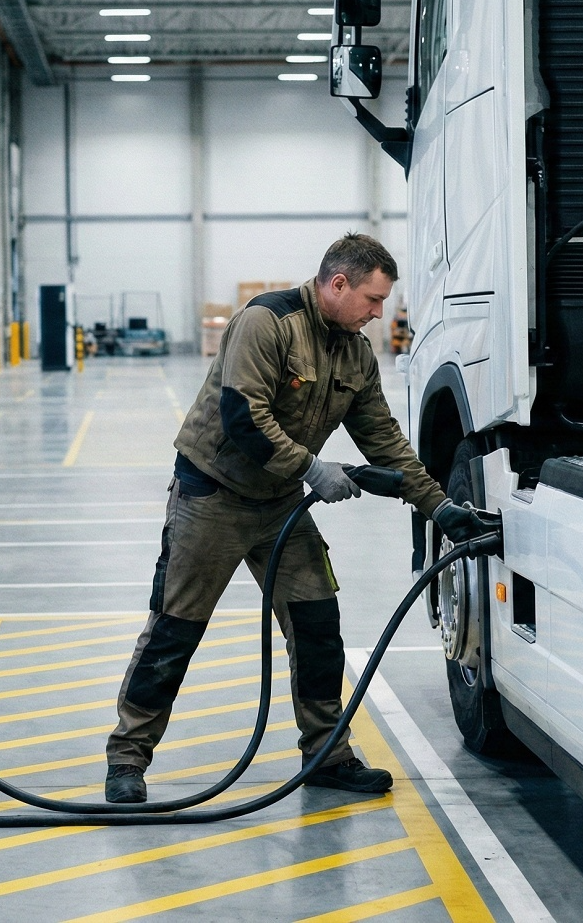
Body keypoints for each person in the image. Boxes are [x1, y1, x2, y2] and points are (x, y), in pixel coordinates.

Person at [103, 234, 493, 804]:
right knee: (174, 630)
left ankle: (326, 754)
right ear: (338, 284)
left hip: (280, 502)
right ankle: (126, 760)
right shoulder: (268, 323)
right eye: (372, 299)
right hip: (212, 495)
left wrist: (438, 506)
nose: (380, 313)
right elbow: (243, 415)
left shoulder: (355, 352)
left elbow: (383, 439)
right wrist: (313, 469)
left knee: (316, 625)